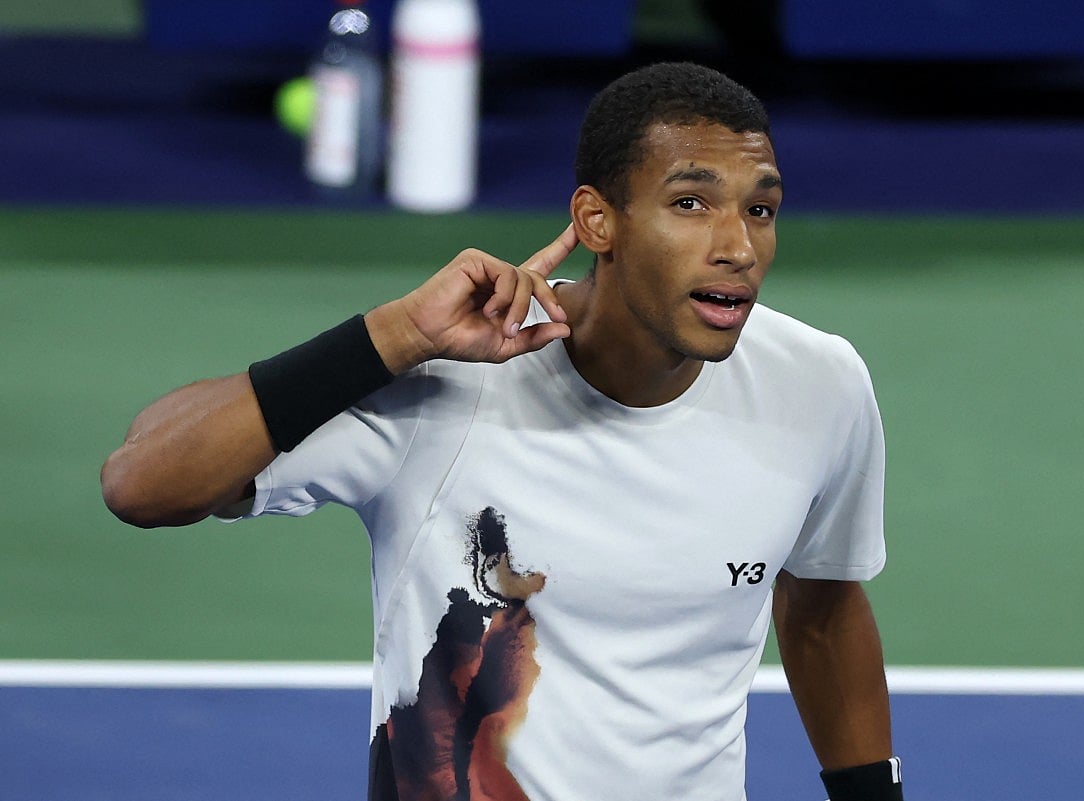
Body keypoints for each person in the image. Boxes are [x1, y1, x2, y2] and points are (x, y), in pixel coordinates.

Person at [101, 62, 904, 801]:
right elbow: (143, 483)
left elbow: (823, 605)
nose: (737, 246)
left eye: (759, 209)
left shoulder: (819, 383)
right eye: (690, 203)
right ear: (598, 221)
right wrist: (393, 335)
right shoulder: (443, 380)